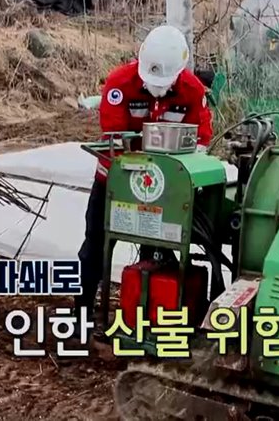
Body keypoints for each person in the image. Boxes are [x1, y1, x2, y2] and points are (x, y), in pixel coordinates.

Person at [74, 25, 213, 322]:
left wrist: (185, 171)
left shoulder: (192, 90)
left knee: (162, 248)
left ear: (179, 72)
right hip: (115, 182)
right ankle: (82, 312)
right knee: (95, 245)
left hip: (166, 187)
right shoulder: (119, 84)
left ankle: (156, 311)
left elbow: (200, 137)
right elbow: (112, 134)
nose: (158, 89)